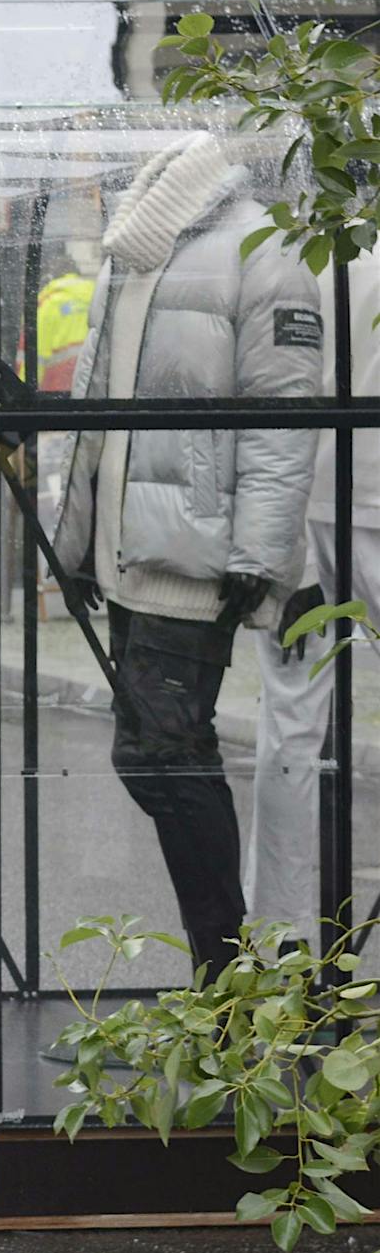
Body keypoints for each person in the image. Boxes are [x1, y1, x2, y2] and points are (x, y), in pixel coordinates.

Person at [52, 133, 319, 977]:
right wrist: (72, 536)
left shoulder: (263, 245)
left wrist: (259, 553)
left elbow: (286, 413)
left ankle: (229, 975)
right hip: (126, 548)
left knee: (165, 751)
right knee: (151, 753)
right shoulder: (133, 247)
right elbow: (98, 401)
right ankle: (231, 975)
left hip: (197, 553)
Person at [245, 246, 380, 936]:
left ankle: (279, 941)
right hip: (375, 493)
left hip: (302, 500)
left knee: (290, 722)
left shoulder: (299, 252)